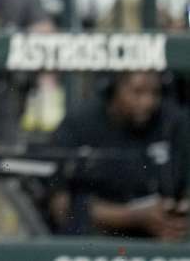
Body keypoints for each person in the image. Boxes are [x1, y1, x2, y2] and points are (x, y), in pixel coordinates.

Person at [49, 72, 189, 239]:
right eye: (137, 92)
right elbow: (61, 209)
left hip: (162, 241)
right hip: (96, 244)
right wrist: (135, 217)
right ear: (114, 88)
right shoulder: (79, 124)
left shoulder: (174, 122)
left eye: (155, 93)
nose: (148, 102)